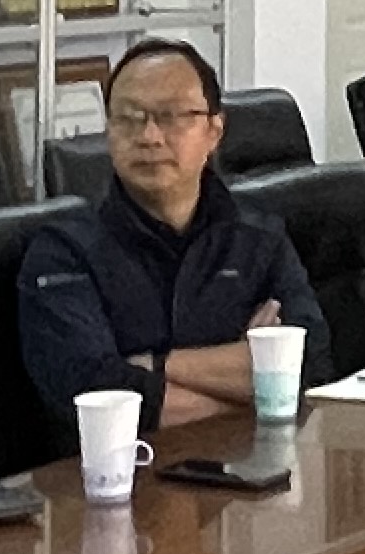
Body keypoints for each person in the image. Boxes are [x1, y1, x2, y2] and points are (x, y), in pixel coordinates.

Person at [19, 37, 324, 427]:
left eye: (172, 116)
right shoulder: (64, 253)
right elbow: (96, 394)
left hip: (255, 458)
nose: (149, 136)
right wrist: (255, 382)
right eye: (129, 117)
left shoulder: (258, 239)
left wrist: (153, 365)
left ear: (214, 131)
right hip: (127, 463)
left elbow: (312, 366)